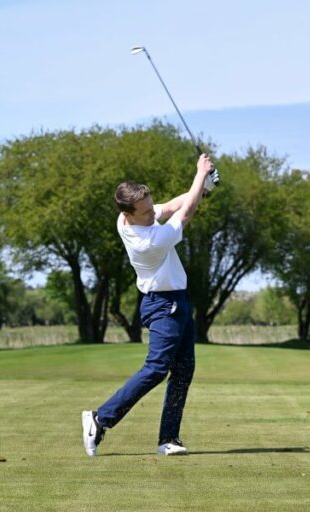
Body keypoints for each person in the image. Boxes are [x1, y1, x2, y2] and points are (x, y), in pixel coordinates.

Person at [82, 153, 216, 457]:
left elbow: (170, 206)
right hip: (162, 304)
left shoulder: (132, 216)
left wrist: (203, 186)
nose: (150, 215)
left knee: (183, 371)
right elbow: (187, 211)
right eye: (144, 213)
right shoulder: (148, 241)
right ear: (128, 214)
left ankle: (169, 438)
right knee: (157, 368)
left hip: (177, 301)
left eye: (148, 208)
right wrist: (200, 174)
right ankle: (99, 419)